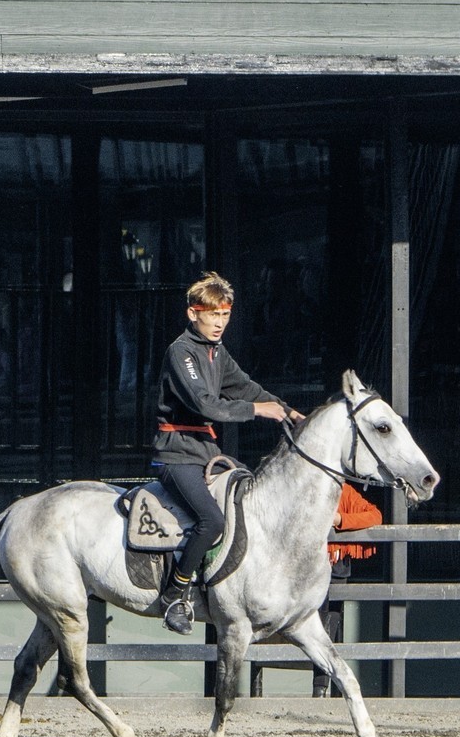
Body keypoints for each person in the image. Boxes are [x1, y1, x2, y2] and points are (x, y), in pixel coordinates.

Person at [153, 273, 305, 635]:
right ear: (193, 314)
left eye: (225, 315)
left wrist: (287, 410)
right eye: (213, 315)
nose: (220, 322)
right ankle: (174, 595)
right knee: (213, 521)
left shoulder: (216, 352)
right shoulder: (181, 351)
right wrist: (258, 412)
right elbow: (206, 405)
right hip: (176, 457)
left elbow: (246, 387)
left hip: (206, 454)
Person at [315, 483, 382, 696]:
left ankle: (325, 688)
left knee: (330, 625)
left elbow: (375, 516)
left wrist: (340, 520)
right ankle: (321, 687)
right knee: (314, 626)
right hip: (306, 566)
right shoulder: (305, 486)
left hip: (335, 567)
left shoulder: (345, 491)